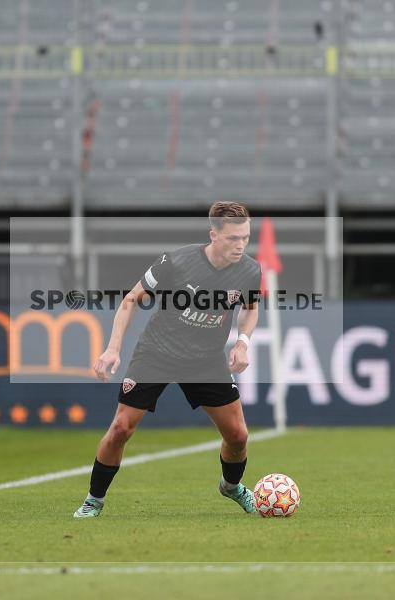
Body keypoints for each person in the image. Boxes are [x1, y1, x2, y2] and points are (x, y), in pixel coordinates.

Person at [73, 201, 262, 518]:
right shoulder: (176, 262)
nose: (240, 245)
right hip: (158, 353)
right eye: (233, 238)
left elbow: (250, 308)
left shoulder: (250, 270)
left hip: (206, 360)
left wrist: (243, 342)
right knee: (121, 428)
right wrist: (113, 348)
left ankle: (231, 487)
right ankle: (94, 499)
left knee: (238, 436)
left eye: (245, 237)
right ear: (213, 235)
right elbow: (132, 299)